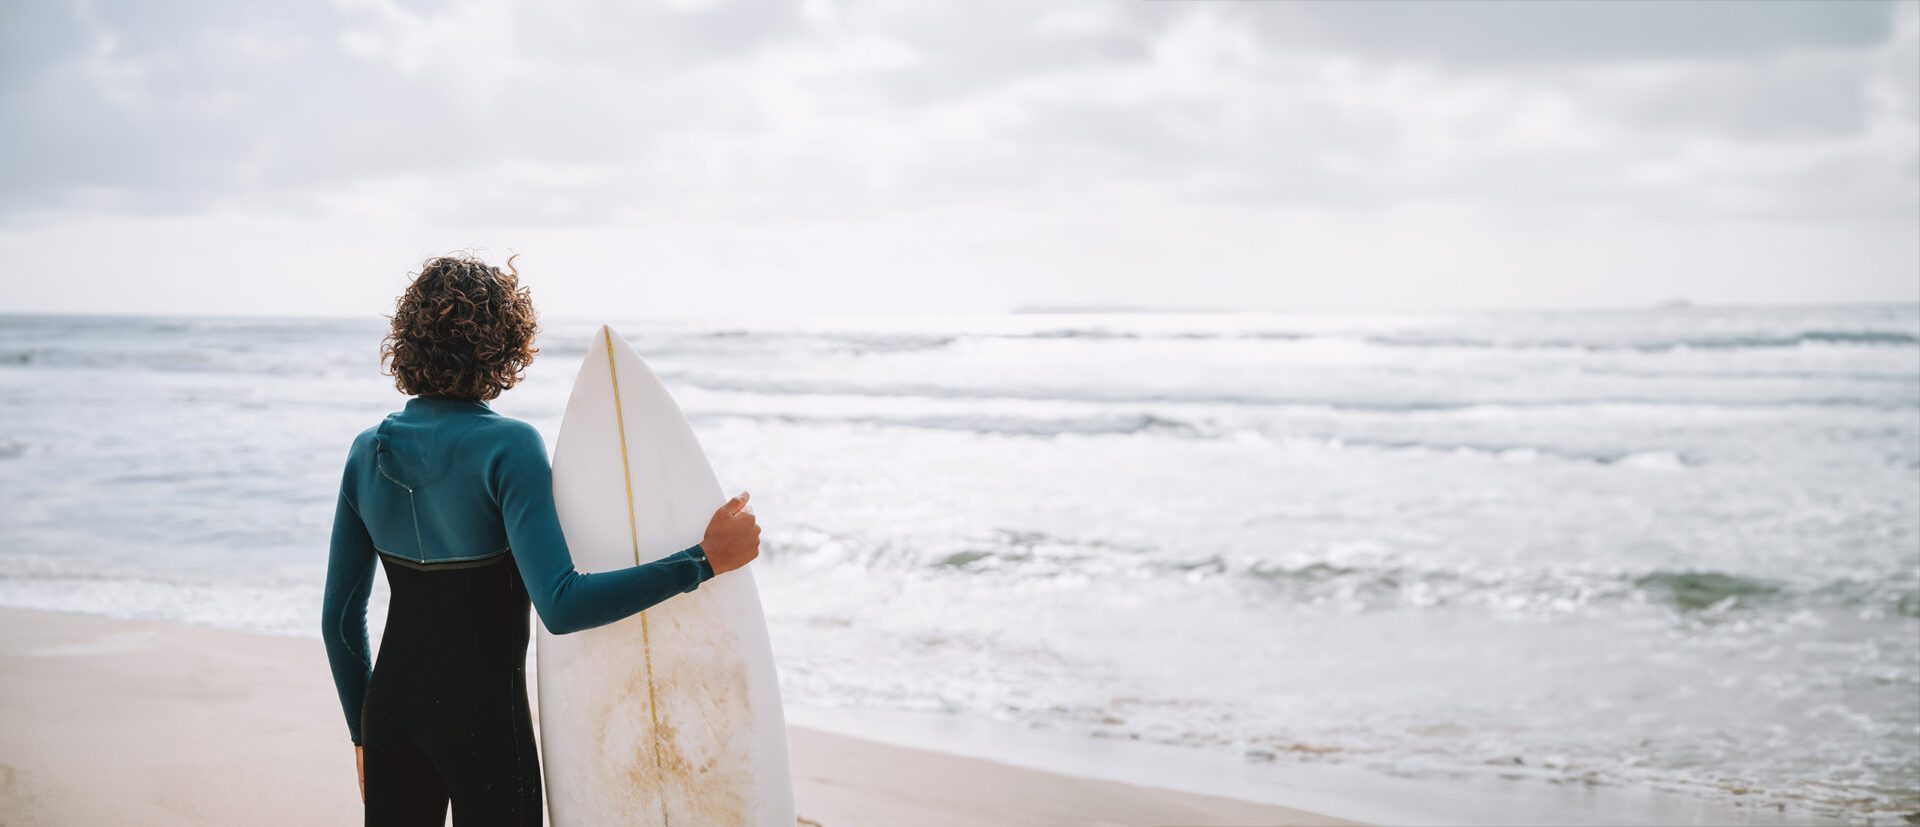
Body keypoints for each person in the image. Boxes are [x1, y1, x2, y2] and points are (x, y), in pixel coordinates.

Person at [319, 253, 762, 826]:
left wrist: (363, 731)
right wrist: (701, 561)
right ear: (505, 347)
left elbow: (338, 619)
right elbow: (562, 604)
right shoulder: (509, 448)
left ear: (407, 343)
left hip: (389, 718)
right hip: (484, 726)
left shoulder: (364, 453)